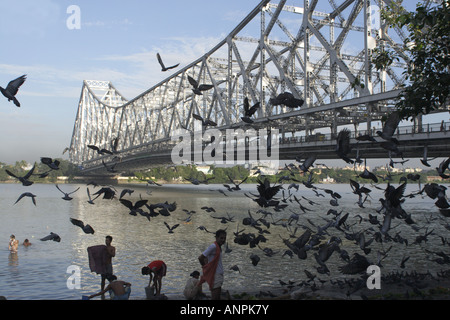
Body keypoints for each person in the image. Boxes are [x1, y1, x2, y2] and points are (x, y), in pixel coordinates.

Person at [198, 229, 227, 300]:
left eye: (224, 238)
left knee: (217, 296)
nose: (223, 240)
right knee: (215, 297)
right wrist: (206, 268)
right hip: (215, 275)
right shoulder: (213, 246)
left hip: (218, 274)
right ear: (216, 238)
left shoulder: (219, 247)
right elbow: (201, 257)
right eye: (221, 238)